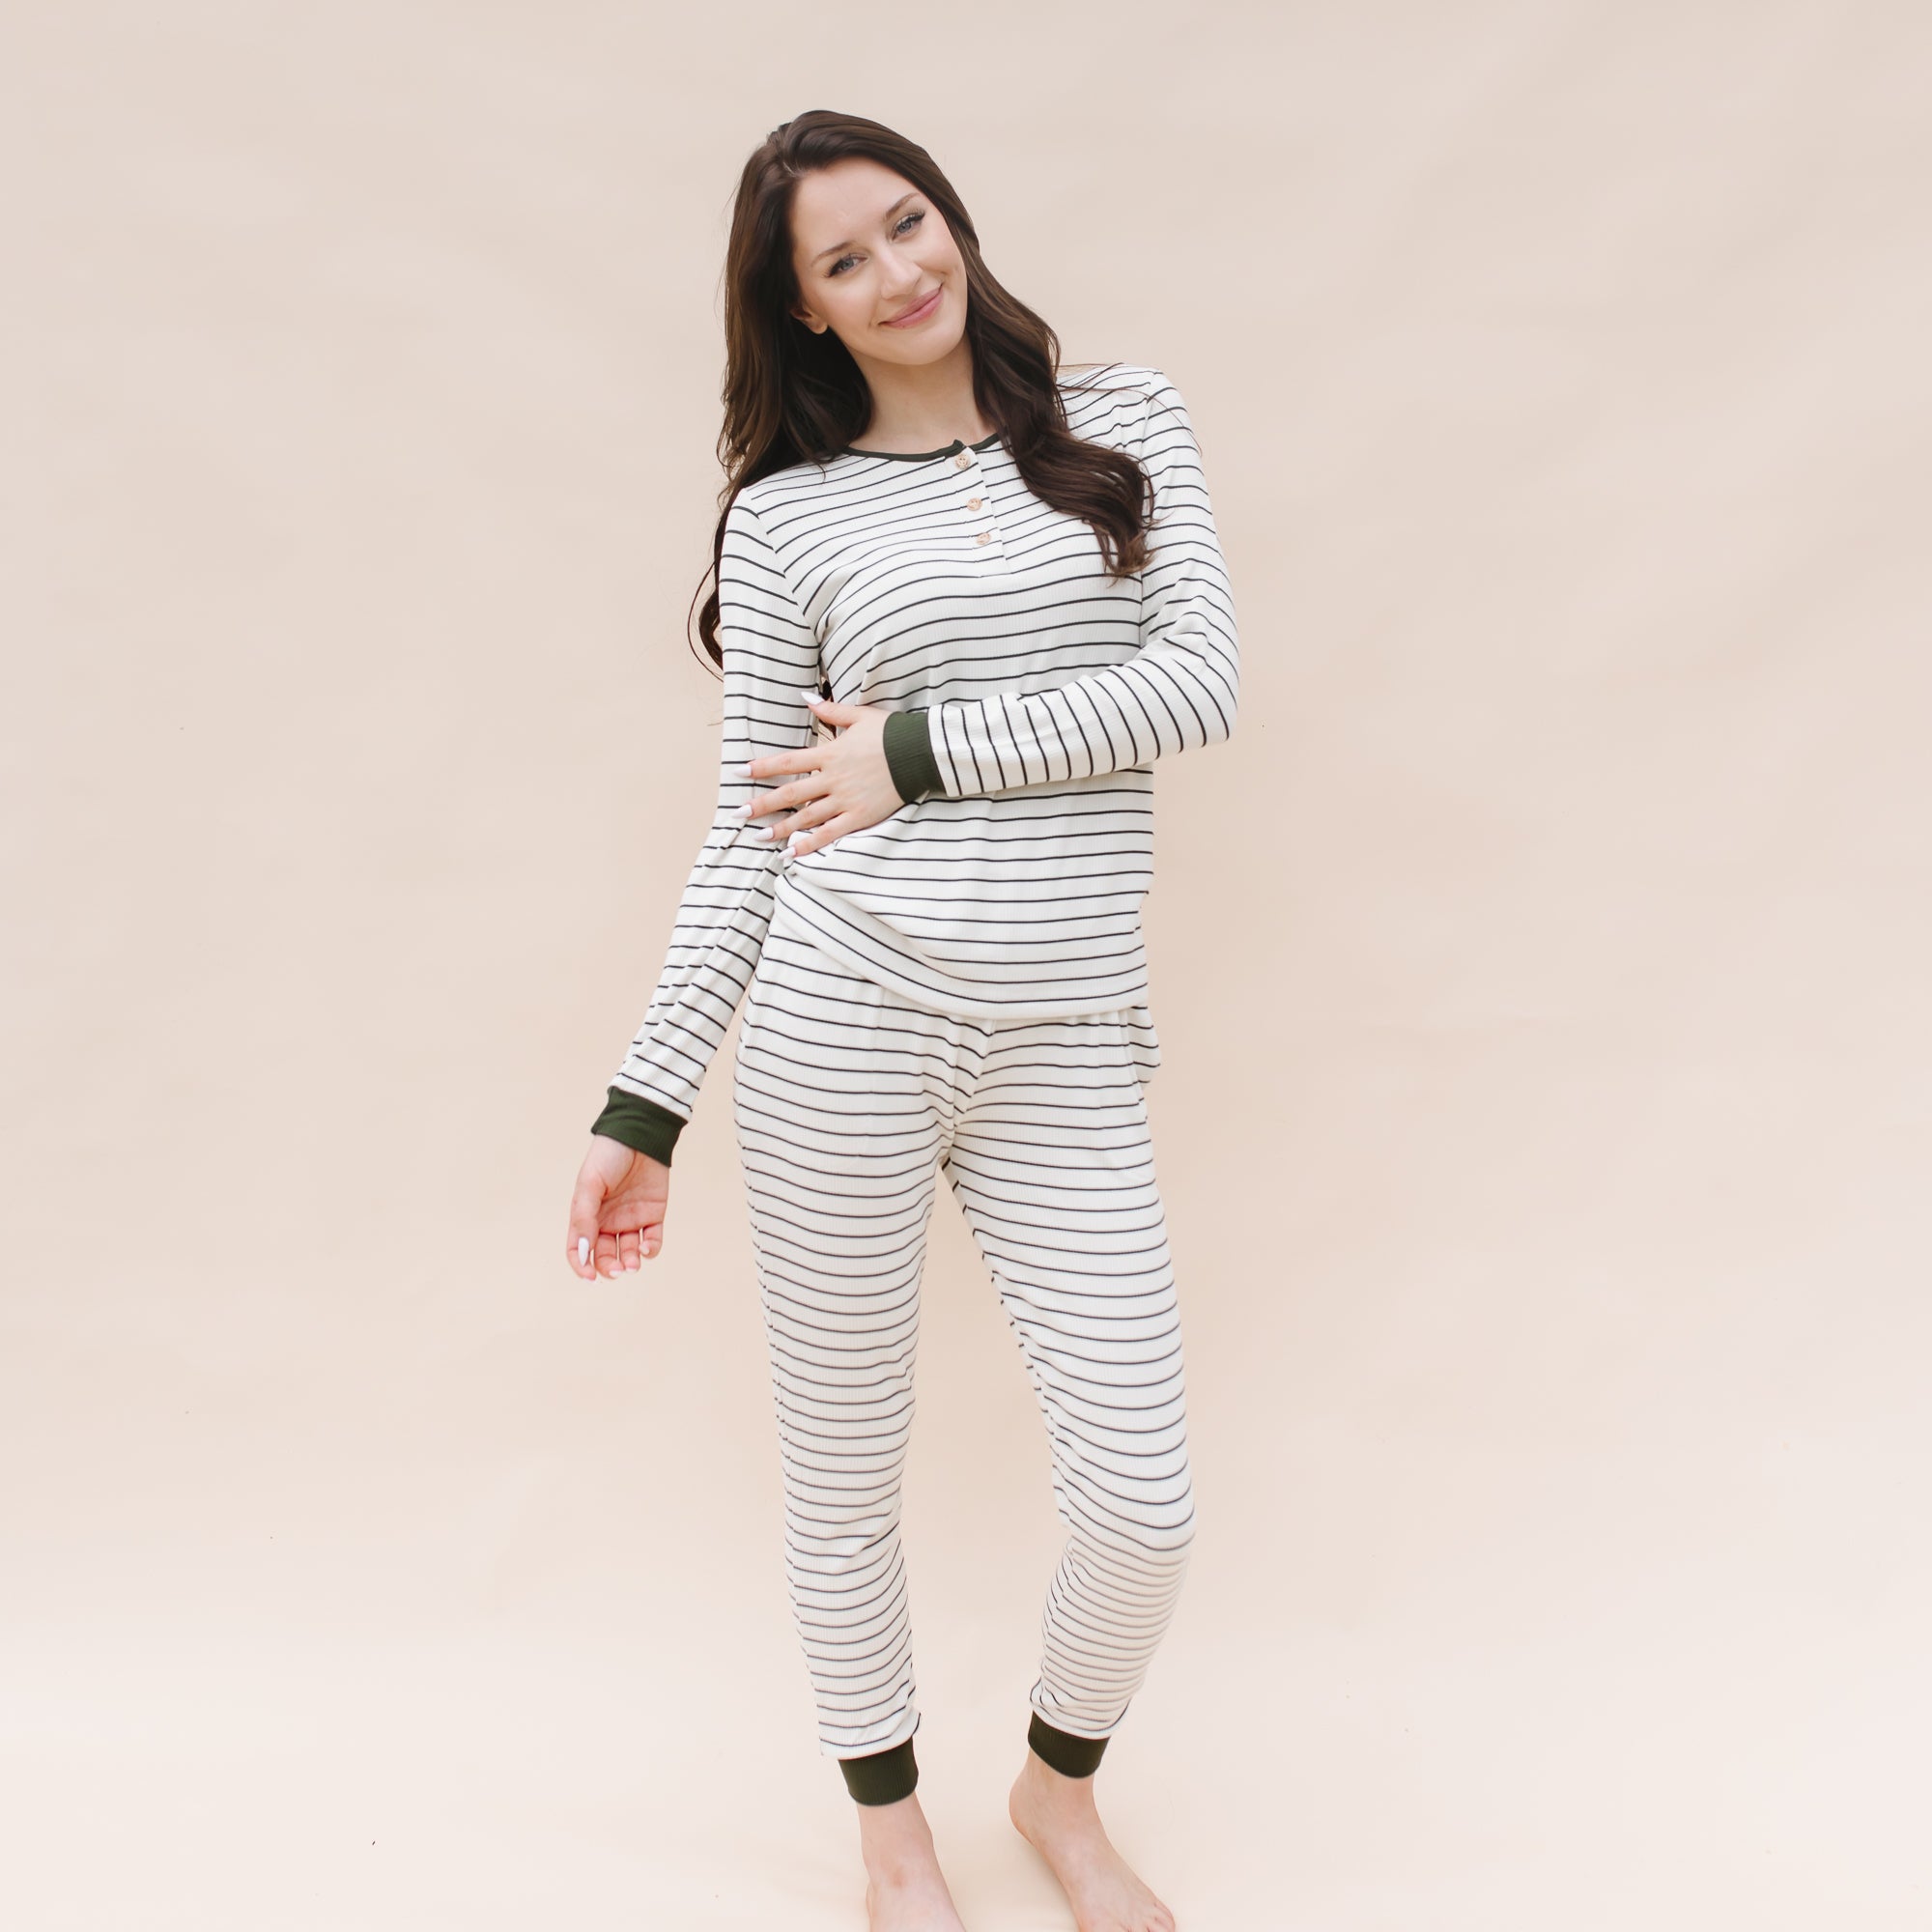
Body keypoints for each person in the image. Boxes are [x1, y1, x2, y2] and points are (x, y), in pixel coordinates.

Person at [564, 107, 1238, 1932]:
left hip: (1066, 1041)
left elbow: (1194, 685)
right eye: (840, 261)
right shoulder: (790, 517)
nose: (897, 271)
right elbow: (753, 828)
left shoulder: (1127, 423)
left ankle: (1054, 1790)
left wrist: (911, 753)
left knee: (1146, 1494)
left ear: (954, 217)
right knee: (847, 1475)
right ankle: (891, 1840)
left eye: (907, 222)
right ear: (802, 317)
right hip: (837, 1027)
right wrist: (645, 1107)